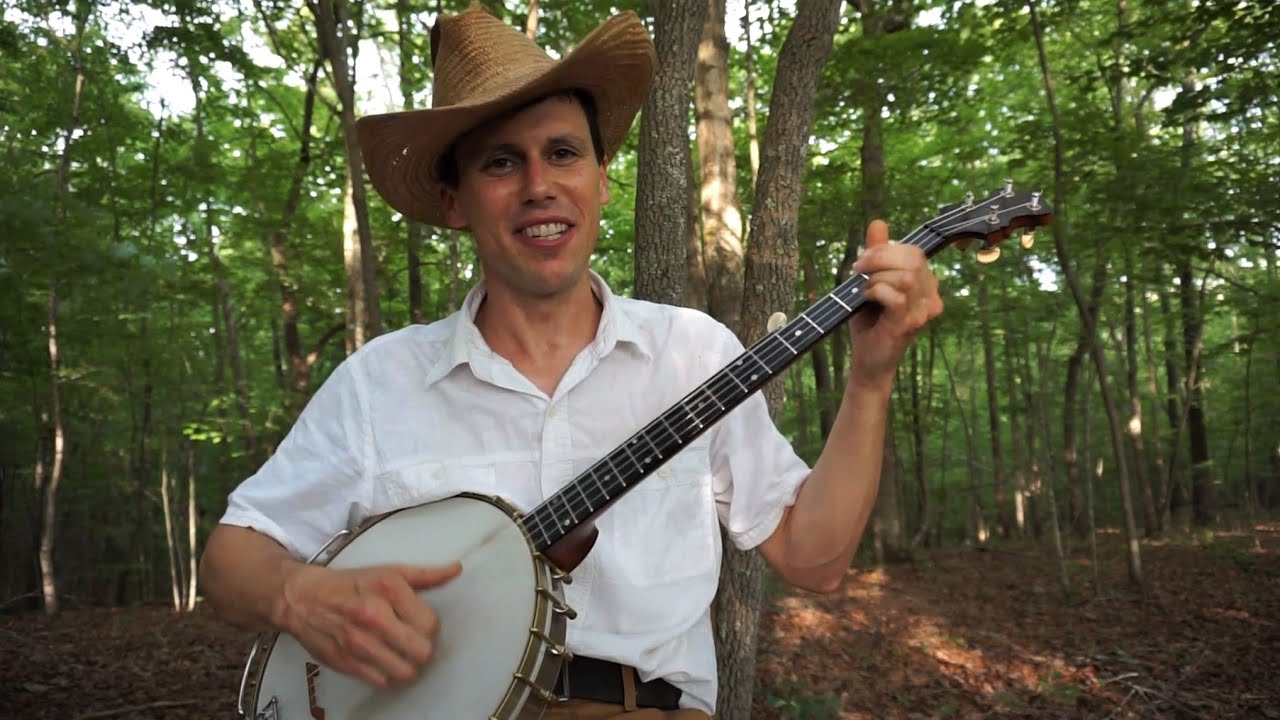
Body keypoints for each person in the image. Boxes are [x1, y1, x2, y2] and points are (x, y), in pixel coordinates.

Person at [198, 5, 943, 719]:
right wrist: (297, 595)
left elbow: (815, 559)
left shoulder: (693, 356)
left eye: (563, 153)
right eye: (501, 162)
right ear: (454, 202)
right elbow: (232, 559)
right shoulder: (379, 383)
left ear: (602, 178)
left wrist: (872, 378)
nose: (538, 185)